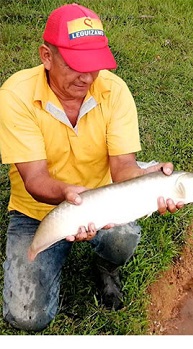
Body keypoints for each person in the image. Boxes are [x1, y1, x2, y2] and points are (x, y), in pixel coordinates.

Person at [0, 3, 183, 332]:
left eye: (95, 66)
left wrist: (147, 179)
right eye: (76, 66)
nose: (87, 77)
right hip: (37, 208)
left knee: (123, 237)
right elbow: (35, 179)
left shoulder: (114, 91)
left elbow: (123, 168)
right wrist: (69, 195)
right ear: (46, 56)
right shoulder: (15, 96)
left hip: (104, 198)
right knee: (26, 317)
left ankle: (105, 267)